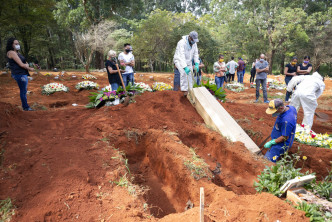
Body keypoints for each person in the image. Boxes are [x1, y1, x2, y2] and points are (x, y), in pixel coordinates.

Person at [6, 37, 34, 111]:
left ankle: (25, 106)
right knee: (23, 91)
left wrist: (26, 65)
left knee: (24, 89)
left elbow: (25, 62)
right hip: (19, 74)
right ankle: (26, 107)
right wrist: (30, 68)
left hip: (23, 73)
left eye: (18, 43)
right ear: (11, 45)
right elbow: (22, 64)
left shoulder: (17, 53)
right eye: (16, 44)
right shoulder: (11, 53)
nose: (18, 45)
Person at [173, 31, 200, 96]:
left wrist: (196, 63)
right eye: (193, 40)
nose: (194, 42)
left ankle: (190, 89)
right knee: (183, 73)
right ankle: (184, 90)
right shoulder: (181, 43)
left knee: (190, 74)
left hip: (188, 61)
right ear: (190, 37)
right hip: (179, 60)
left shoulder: (194, 44)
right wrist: (185, 67)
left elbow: (196, 54)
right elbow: (181, 55)